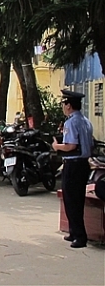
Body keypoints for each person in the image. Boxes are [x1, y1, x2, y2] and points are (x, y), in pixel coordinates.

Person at [52, 90, 94, 248]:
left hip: (73, 164)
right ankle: (74, 232)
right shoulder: (85, 121)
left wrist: (57, 146)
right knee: (77, 199)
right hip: (83, 164)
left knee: (71, 200)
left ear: (69, 106)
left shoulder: (71, 122)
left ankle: (80, 236)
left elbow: (71, 146)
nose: (63, 107)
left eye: (64, 104)